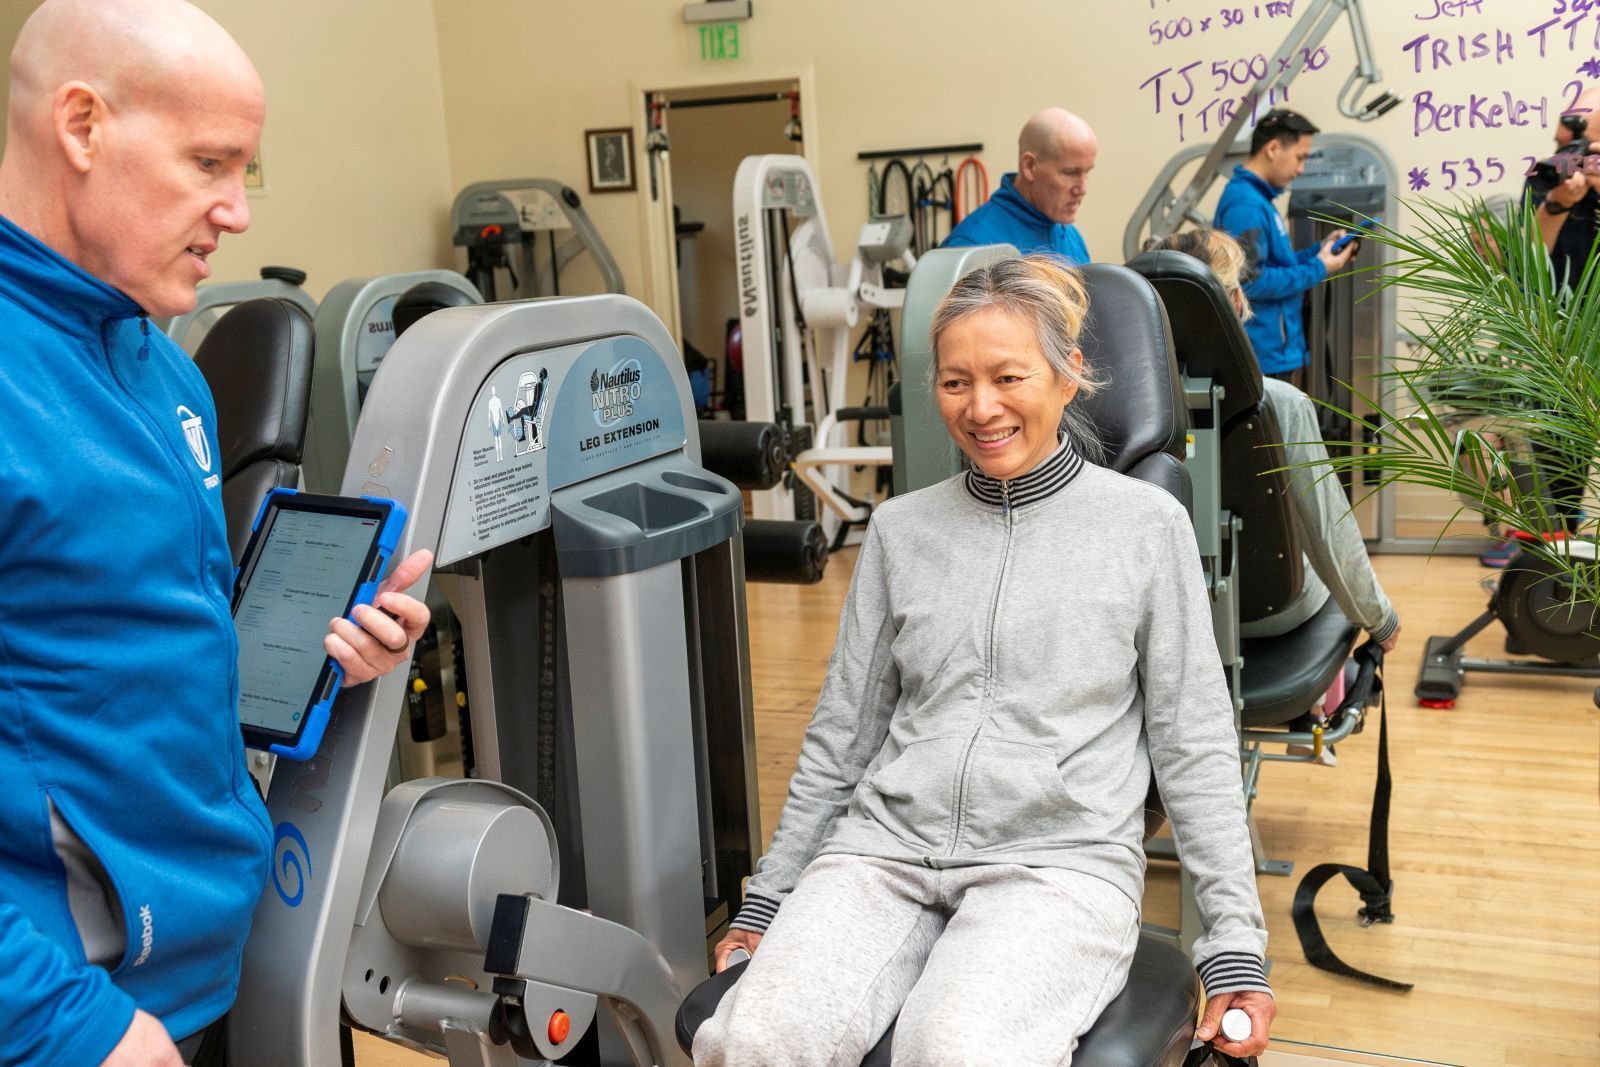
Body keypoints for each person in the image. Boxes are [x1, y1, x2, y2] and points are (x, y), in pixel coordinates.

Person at [695, 256, 1274, 1066]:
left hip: (1058, 866)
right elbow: (841, 737)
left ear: (1070, 375)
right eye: (957, 382)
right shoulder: (901, 531)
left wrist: (1235, 943)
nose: (982, 407)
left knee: (956, 1049)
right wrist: (768, 900)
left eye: (1009, 376)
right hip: (884, 851)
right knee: (755, 1040)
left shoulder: (1145, 528)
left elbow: (1195, 741)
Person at [0, 3, 432, 1065]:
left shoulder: (167, 371)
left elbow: (148, 652)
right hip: (78, 1004)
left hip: (210, 955)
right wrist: (60, 1021)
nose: (237, 212)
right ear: (83, 126)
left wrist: (335, 662)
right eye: (210, 163)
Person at [1146, 230, 1401, 712]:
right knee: (1318, 548)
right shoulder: (1278, 404)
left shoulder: (1119, 412)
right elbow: (1331, 535)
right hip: (1264, 615)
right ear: (1232, 304)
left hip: (1168, 617)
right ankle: (1329, 696)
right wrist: (1381, 621)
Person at [1213, 109, 1357, 387]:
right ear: (1274, 149)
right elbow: (1250, 282)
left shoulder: (1259, 201)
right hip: (1262, 354)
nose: (1301, 169)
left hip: (1275, 351)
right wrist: (1319, 267)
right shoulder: (1246, 205)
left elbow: (1277, 265)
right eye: (1300, 158)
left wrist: (1320, 251)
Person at [942, 108, 1096, 264]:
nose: (1083, 189)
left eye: (1087, 172)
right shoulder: (970, 246)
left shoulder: (1072, 238)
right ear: (1029, 166)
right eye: (1070, 172)